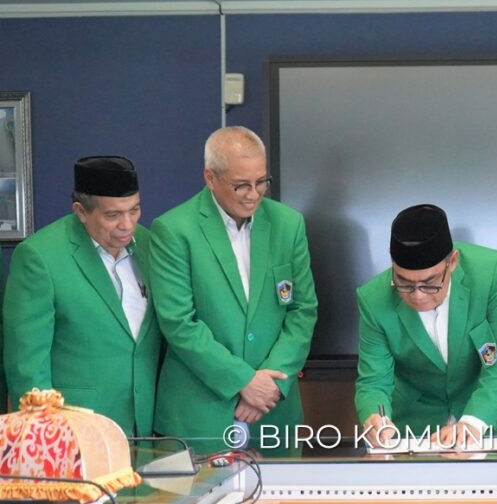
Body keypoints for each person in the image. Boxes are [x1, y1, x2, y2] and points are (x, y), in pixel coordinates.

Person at [150, 126, 317, 449]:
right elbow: (179, 323)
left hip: (274, 411)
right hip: (200, 416)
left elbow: (303, 310)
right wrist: (243, 380)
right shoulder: (173, 230)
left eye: (261, 182)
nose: (253, 194)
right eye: (240, 185)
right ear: (210, 177)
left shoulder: (289, 224)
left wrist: (268, 384)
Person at [3, 156, 160, 435]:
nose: (127, 225)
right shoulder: (40, 256)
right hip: (74, 429)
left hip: (148, 426)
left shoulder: (150, 244)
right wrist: (42, 436)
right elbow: (26, 365)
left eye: (134, 210)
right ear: (81, 211)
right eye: (113, 215)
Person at [355, 204, 497, 447]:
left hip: (488, 418)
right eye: (404, 283)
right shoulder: (372, 299)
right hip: (416, 427)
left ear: (452, 262)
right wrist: (375, 416)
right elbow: (374, 381)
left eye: (430, 283)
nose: (418, 295)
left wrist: (473, 422)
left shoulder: (489, 272)